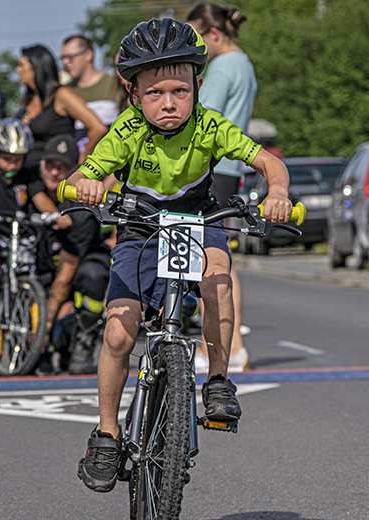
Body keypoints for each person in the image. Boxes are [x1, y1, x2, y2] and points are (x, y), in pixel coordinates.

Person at [70, 18, 292, 493]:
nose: (168, 103)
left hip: (198, 220)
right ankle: (107, 433)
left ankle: (216, 381)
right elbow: (80, 176)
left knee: (218, 278)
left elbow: (269, 161)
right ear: (133, 94)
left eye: (180, 90)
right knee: (117, 331)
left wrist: (276, 191)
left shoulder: (211, 126)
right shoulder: (126, 131)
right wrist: (86, 184)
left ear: (197, 85)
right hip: (139, 228)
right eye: (154, 93)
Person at [188, 2, 255, 374]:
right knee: (222, 259)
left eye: (197, 38)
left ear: (213, 34)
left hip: (213, 167)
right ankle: (235, 346)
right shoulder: (244, 63)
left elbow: (199, 115)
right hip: (232, 168)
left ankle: (212, 347)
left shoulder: (223, 66)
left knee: (209, 260)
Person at [0, 118, 69, 309]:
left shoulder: (28, 176)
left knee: (30, 282)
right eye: (7, 159)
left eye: (18, 160)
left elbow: (40, 198)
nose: (12, 166)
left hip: (22, 237)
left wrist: (56, 215)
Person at [37, 135, 111, 375]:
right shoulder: (29, 189)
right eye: (50, 164)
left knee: (93, 274)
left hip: (77, 266)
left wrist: (45, 330)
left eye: (63, 167)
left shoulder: (80, 207)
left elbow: (65, 276)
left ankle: (84, 344)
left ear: (75, 170)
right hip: (44, 266)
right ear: (40, 163)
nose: (55, 173)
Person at [16, 44, 107, 167]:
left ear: (36, 66)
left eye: (22, 65)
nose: (18, 70)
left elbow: (98, 128)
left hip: (56, 175)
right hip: (29, 175)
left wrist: (81, 161)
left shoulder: (61, 95)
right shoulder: (29, 101)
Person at [61, 35, 120, 149]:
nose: (65, 62)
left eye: (70, 57)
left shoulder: (114, 84)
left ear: (88, 55)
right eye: (63, 58)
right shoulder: (66, 92)